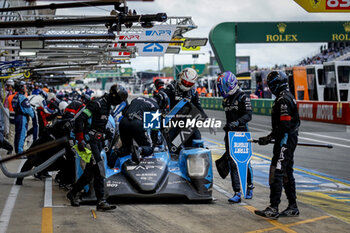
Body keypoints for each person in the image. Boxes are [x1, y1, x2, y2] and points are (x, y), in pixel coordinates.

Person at [66, 84, 128, 211]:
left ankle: (73, 192)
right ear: (114, 96)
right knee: (100, 169)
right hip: (90, 141)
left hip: (99, 142)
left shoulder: (108, 106)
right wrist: (80, 139)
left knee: (90, 173)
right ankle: (101, 201)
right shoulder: (97, 104)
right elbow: (80, 120)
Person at [254, 71, 300, 219]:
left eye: (271, 85)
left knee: (278, 172)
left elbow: (285, 125)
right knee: (286, 172)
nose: (270, 88)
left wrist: (269, 137)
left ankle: (274, 207)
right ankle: (293, 206)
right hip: (287, 138)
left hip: (285, 139)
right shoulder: (287, 96)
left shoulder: (283, 100)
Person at [217, 71, 254, 203]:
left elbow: (248, 115)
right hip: (230, 135)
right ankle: (237, 192)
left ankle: (249, 185)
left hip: (242, 133)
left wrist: (237, 123)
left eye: (223, 87)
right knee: (232, 163)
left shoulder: (244, 97)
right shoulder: (225, 100)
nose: (221, 90)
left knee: (245, 162)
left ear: (230, 84)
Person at [113, 91, 169, 165]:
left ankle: (115, 154)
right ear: (162, 102)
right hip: (136, 123)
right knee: (149, 148)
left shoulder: (138, 98)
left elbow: (126, 111)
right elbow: (154, 130)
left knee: (126, 147)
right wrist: (154, 144)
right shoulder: (155, 106)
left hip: (123, 122)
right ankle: (139, 149)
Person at [165, 68, 214, 147]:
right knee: (173, 146)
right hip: (171, 122)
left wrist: (207, 120)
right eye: (185, 82)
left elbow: (199, 108)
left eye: (189, 84)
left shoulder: (193, 92)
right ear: (181, 78)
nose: (187, 85)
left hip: (187, 122)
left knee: (197, 138)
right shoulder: (170, 88)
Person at [11, 81, 34, 154]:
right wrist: (34, 116)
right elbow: (29, 110)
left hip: (16, 116)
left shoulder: (15, 97)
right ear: (21, 88)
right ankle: (19, 152)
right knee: (21, 135)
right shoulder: (23, 98)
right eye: (24, 86)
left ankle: (17, 150)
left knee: (17, 134)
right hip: (22, 118)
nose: (25, 88)